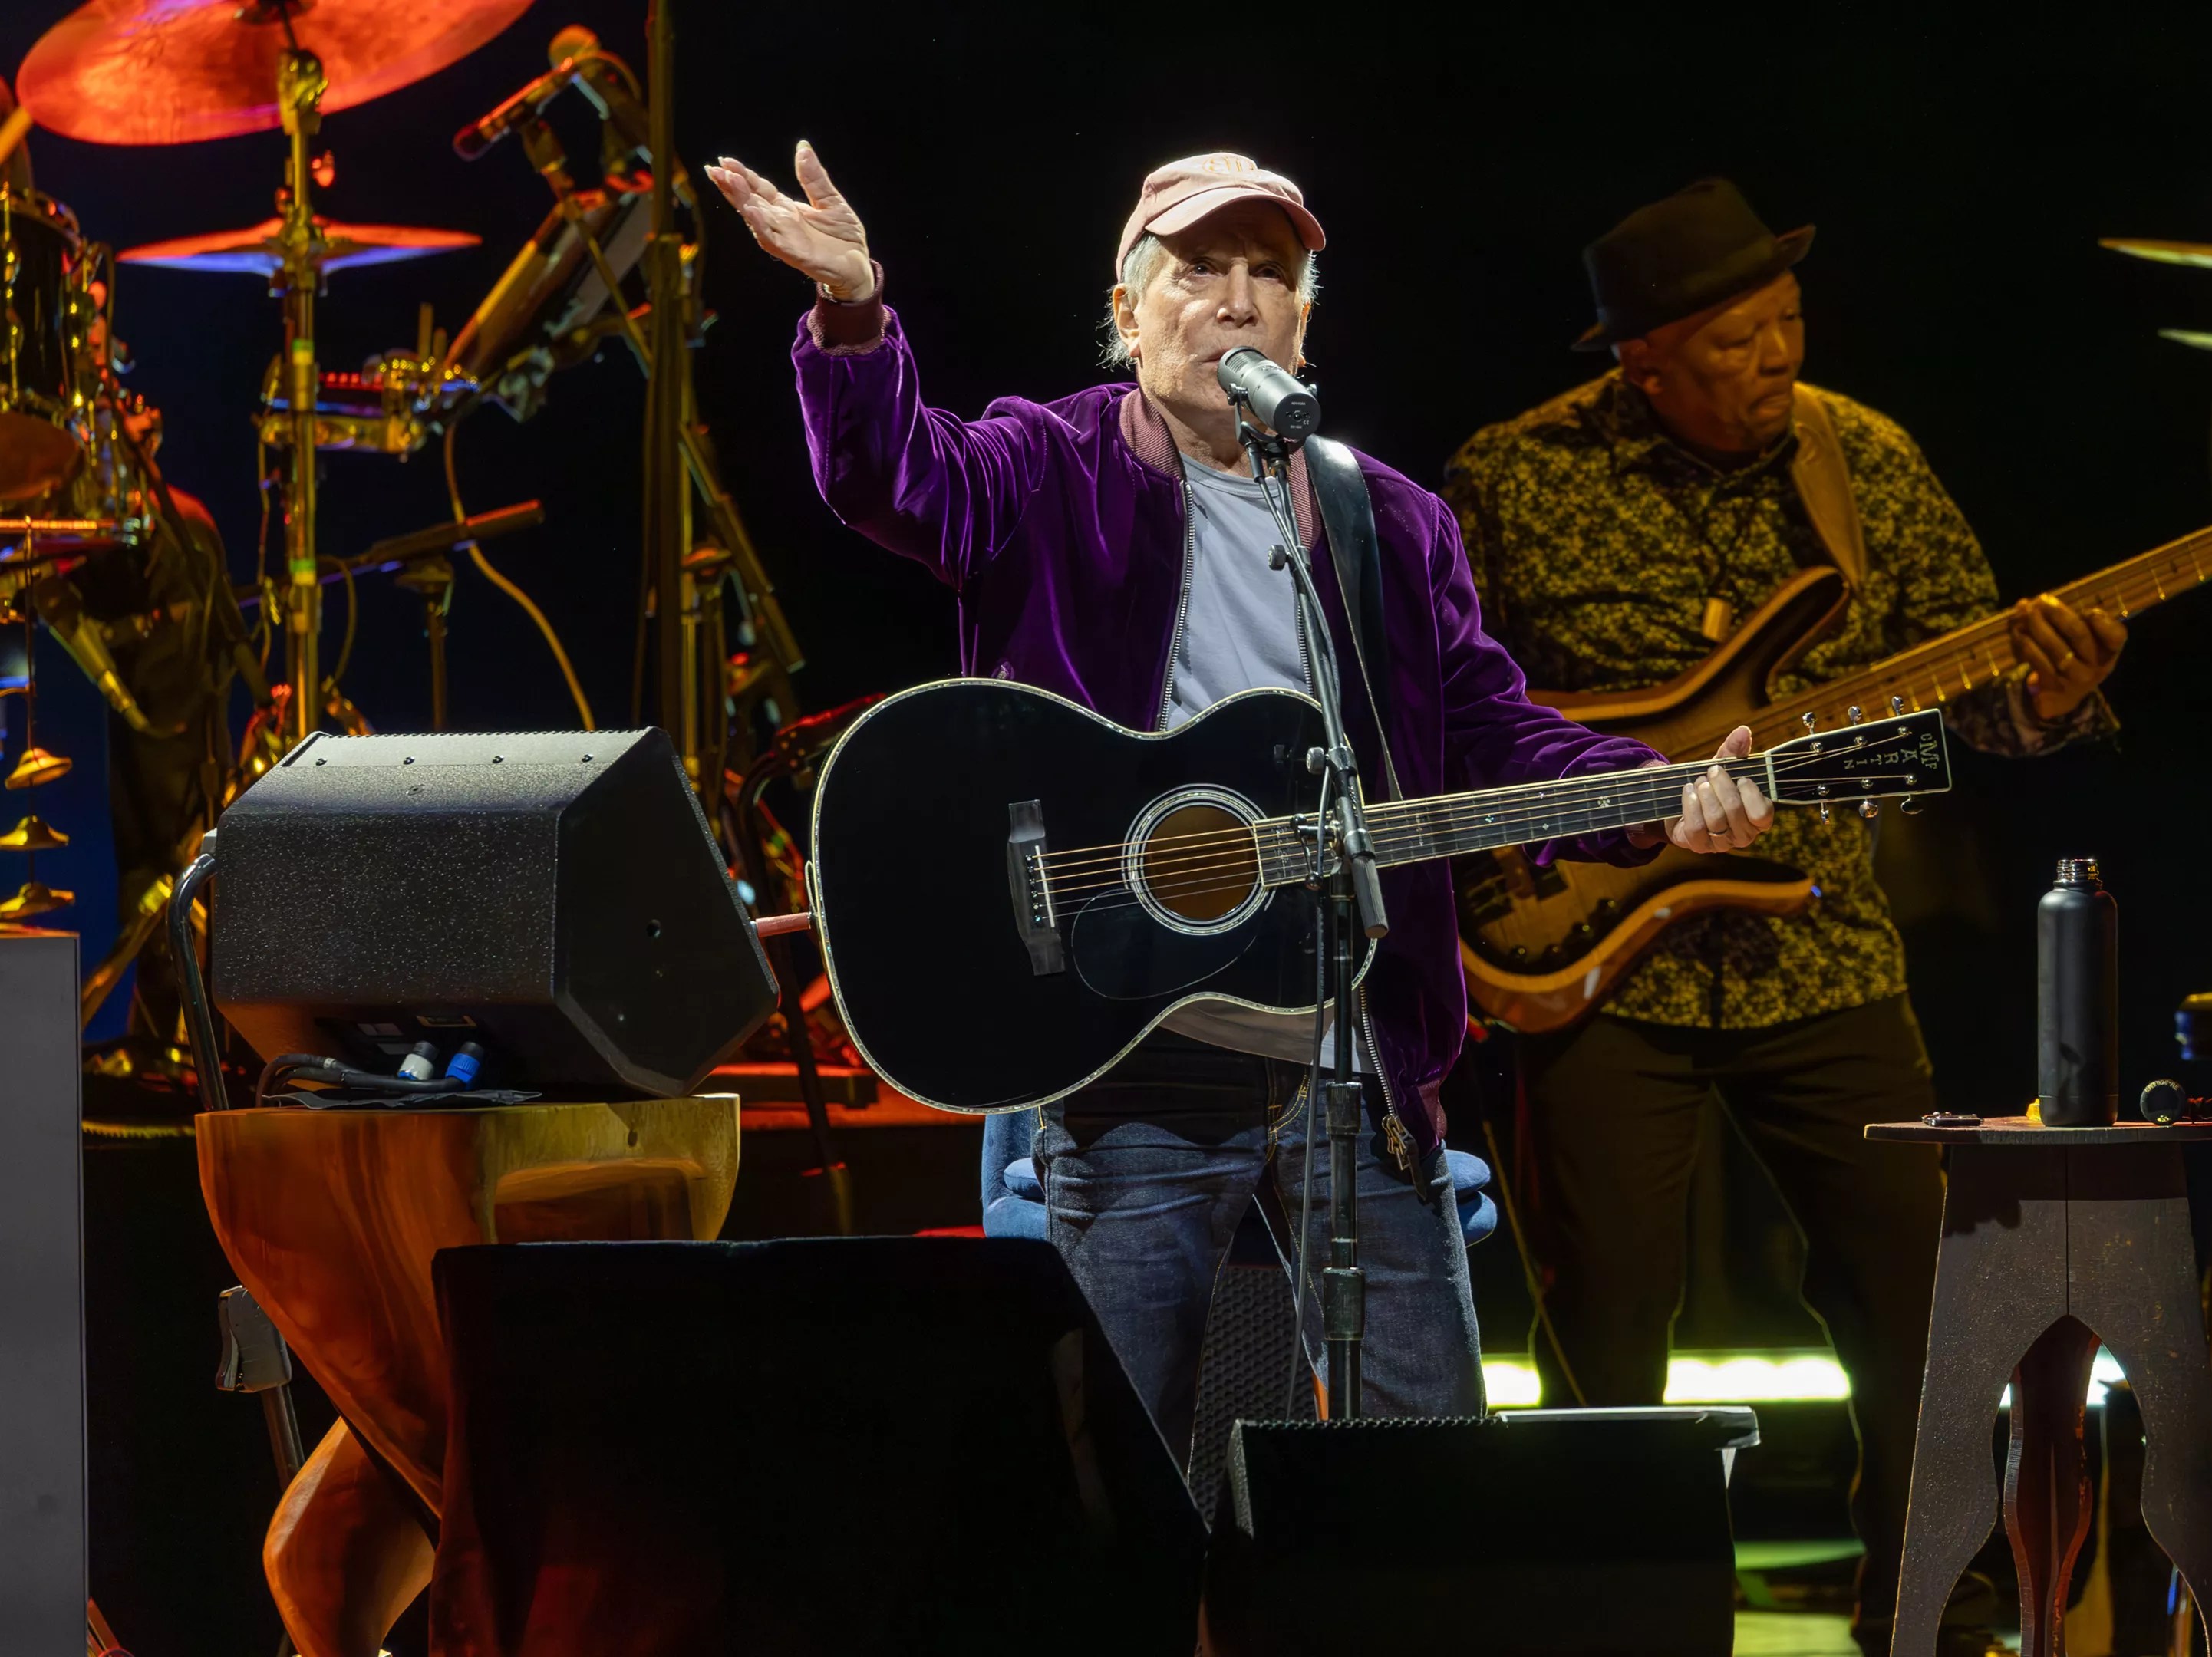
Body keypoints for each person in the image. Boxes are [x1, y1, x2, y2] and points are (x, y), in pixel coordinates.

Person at [707, 147, 1773, 1459]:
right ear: (1130, 305)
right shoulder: (1048, 465)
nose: (1235, 299)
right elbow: (889, 478)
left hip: (1351, 1054)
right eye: (1198, 269)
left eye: (1269, 274)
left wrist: (1660, 801)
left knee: (1420, 1461)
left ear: (1305, 319)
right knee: (1123, 1470)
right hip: (1128, 1047)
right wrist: (857, 313)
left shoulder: (1388, 517)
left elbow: (1488, 731)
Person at [1442, 178, 2124, 1655]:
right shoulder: (1509, 476)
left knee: (1917, 1297)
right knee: (1610, 1328)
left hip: (1816, 949)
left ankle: (1934, 1601)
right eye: (1740, 340)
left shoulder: (1858, 456)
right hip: (1591, 960)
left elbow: (1977, 694)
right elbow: (1441, 714)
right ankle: (1628, 1618)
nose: (1777, 361)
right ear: (1644, 361)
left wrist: (2048, 701)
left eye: (1788, 327)